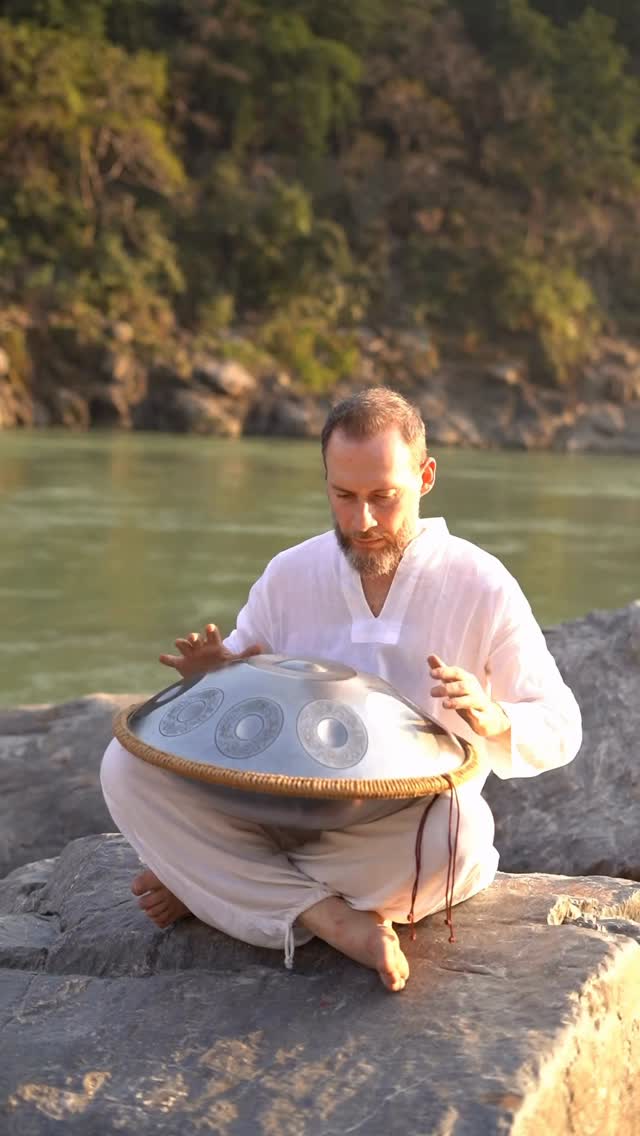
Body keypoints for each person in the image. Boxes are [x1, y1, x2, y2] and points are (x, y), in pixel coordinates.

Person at [101, 388, 582, 992]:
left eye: (384, 497)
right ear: (326, 480)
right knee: (125, 766)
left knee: (463, 836)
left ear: (426, 477)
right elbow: (237, 707)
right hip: (271, 809)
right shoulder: (291, 573)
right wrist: (214, 675)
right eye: (344, 496)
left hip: (395, 830)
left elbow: (561, 725)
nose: (363, 522)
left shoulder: (481, 584)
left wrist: (496, 718)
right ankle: (324, 916)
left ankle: (217, 885)